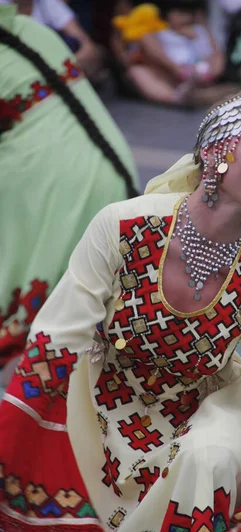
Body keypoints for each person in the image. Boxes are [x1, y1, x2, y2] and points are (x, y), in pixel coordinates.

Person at [0, 76, 241, 532]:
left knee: (213, 456)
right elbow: (59, 332)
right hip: (100, 414)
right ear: (215, 150)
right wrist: (22, 444)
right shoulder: (123, 227)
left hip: (199, 416)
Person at [0, 4, 139, 385]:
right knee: (96, 302)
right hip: (116, 174)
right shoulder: (31, 29)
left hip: (52, 183)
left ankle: (46, 385)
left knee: (29, 335)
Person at [112, 0, 229, 106]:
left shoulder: (198, 30)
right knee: (138, 72)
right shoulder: (155, 32)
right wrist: (177, 70)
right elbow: (142, 51)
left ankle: (200, 95)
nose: (186, 18)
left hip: (199, 76)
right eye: (180, 13)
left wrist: (209, 72)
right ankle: (177, 98)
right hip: (166, 73)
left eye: (188, 13)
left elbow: (215, 54)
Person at [0, 0, 106, 81]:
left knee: (92, 51)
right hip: (21, 70)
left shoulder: (47, 2)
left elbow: (85, 44)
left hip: (57, 67)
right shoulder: (2, 10)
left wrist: (67, 65)